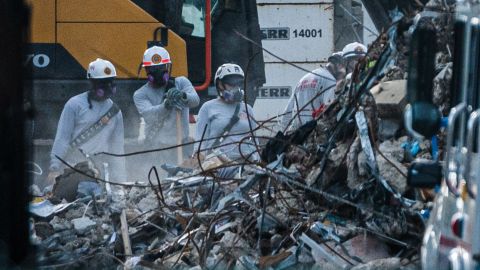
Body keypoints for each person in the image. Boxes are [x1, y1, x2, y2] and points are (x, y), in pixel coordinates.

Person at [47, 58, 126, 183]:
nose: (107, 87)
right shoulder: (74, 105)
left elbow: (117, 149)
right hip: (74, 168)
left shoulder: (115, 112)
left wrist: (121, 180)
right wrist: (55, 168)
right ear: (92, 83)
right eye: (103, 83)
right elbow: (62, 138)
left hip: (99, 172)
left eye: (110, 82)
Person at [133, 46, 199, 173]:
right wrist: (166, 106)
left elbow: (195, 100)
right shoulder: (140, 94)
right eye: (153, 69)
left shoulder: (181, 83)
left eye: (161, 68)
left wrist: (183, 96)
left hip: (182, 145)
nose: (158, 72)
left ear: (168, 67)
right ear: (146, 71)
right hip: (158, 148)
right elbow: (149, 116)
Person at [194, 63, 258, 179]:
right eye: (231, 83)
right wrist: (200, 164)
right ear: (219, 84)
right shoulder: (208, 108)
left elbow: (254, 142)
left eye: (238, 83)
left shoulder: (248, 109)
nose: (235, 87)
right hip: (218, 165)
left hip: (245, 164)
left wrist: (258, 162)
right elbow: (200, 142)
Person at [280, 67, 337, 132]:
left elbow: (288, 111)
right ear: (339, 65)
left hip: (297, 132)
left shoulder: (303, 79)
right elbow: (330, 109)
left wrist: (284, 133)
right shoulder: (330, 80)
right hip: (313, 132)